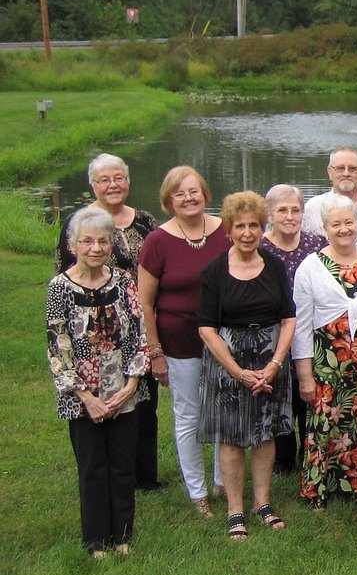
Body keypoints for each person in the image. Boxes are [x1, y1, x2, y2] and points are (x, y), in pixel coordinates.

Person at [55, 153, 161, 492]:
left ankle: (144, 476)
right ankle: (105, 472)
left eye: (119, 178)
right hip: (93, 327)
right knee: (102, 400)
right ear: (93, 185)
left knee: (144, 399)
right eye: (104, 180)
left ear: (128, 181)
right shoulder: (79, 223)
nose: (113, 185)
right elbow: (65, 273)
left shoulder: (144, 221)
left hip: (140, 321)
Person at [48, 207, 149, 558]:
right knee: (93, 468)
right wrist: (86, 396)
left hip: (123, 391)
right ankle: (96, 541)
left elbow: (140, 335)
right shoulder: (60, 287)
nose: (95, 248)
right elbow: (57, 347)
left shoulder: (123, 281)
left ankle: (122, 536)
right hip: (82, 397)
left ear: (111, 245)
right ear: (73, 245)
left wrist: (131, 385)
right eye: (87, 241)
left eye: (103, 241)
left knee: (122, 466)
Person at [198, 192, 296, 540]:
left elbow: (288, 318)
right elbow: (206, 328)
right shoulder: (214, 271)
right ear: (228, 229)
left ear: (262, 227)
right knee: (231, 437)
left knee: (265, 433)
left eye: (254, 225)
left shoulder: (275, 265)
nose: (247, 232)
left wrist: (275, 363)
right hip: (228, 363)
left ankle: (262, 503)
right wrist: (236, 371)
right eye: (240, 226)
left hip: (270, 360)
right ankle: (235, 509)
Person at [138, 166, 229, 517]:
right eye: (180, 193)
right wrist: (156, 352)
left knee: (223, 412)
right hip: (179, 344)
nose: (188, 198)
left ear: (205, 194)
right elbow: (145, 303)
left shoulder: (225, 230)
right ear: (168, 201)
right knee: (189, 416)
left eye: (194, 191)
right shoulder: (157, 241)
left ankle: (222, 481)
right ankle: (197, 491)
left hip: (223, 340)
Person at [292, 195, 357, 509]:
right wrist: (305, 376)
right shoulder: (310, 267)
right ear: (325, 228)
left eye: (349, 222)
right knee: (325, 420)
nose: (344, 229)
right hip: (327, 360)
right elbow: (301, 326)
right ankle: (317, 489)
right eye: (336, 224)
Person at [259, 184, 326, 475]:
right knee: (279, 396)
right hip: (273, 334)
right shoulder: (260, 248)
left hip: (312, 332)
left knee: (308, 393)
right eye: (282, 210)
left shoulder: (317, 244)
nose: (289, 216)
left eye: (295, 210)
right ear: (269, 215)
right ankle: (283, 459)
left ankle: (309, 452)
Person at [302, 147, 357, 238]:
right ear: (330, 172)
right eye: (340, 168)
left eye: (352, 169)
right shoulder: (313, 208)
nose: (346, 174)